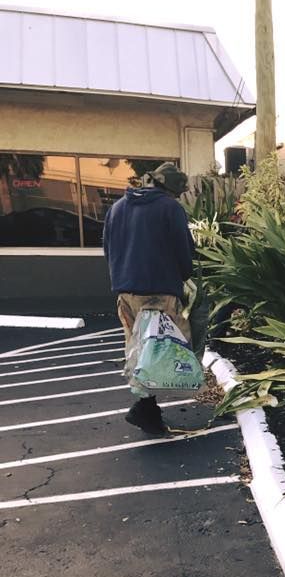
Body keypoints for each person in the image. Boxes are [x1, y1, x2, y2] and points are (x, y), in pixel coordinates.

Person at [103, 162, 194, 435]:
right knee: (163, 350)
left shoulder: (117, 208)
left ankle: (148, 410)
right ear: (171, 189)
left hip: (126, 292)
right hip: (158, 291)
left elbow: (107, 248)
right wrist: (183, 277)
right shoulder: (170, 209)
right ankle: (144, 409)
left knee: (139, 350)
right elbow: (184, 252)